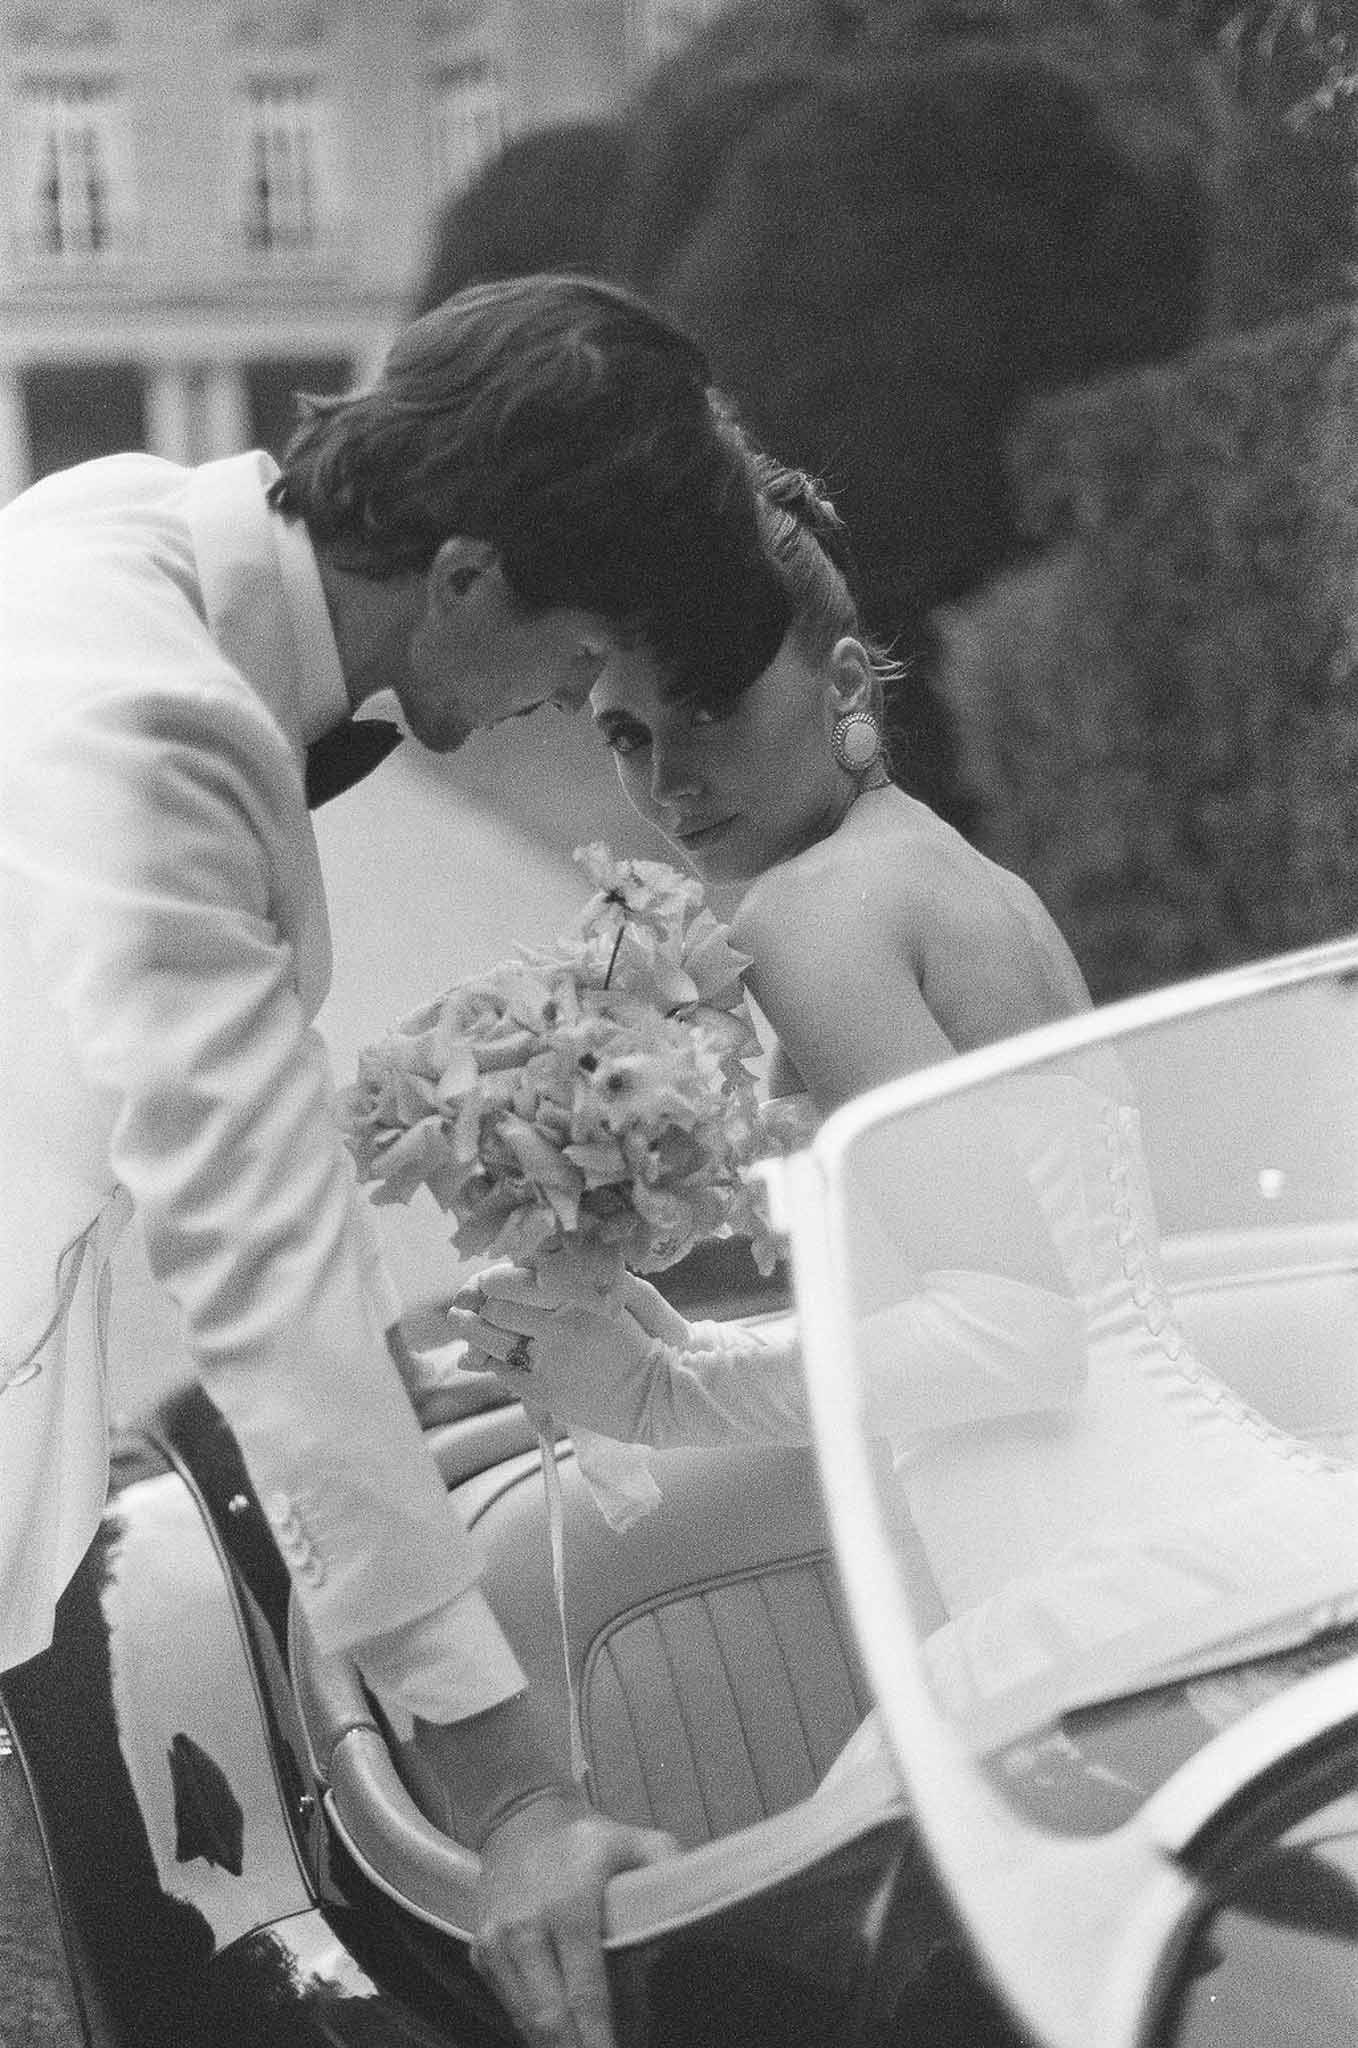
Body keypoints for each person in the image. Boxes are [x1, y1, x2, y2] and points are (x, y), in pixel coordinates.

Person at [0, 273, 790, 2048]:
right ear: (460, 579)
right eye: (575, 650)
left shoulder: (122, 521)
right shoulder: (150, 722)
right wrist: (513, 1790)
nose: (564, 698)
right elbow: (272, 1272)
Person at [454, 457, 1358, 1738]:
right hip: (1202, 1531)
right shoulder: (960, 879)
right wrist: (688, 1346)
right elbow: (1037, 1302)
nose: (669, 780)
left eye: (710, 708)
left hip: (1116, 1605)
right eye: (626, 732)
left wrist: (670, 1396)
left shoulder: (812, 913)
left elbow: (1013, 1338)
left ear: (836, 686)